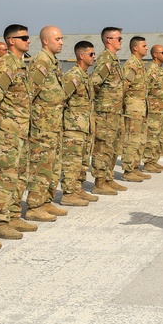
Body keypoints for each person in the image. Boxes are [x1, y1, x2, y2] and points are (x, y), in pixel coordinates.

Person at [0, 25, 36, 240]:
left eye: (28, 37)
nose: (28, 40)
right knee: (6, 177)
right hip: (7, 132)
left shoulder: (20, 65)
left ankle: (14, 214)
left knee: (19, 175)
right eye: (23, 37)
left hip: (21, 131)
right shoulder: (5, 65)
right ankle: (0, 221)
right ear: (11, 41)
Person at [25, 26, 68, 221]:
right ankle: (34, 205)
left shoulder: (52, 62)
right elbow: (30, 94)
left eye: (61, 39)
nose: (61, 42)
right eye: (57, 39)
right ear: (45, 41)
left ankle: (46, 201)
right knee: (41, 167)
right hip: (42, 126)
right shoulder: (41, 62)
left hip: (53, 124)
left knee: (52, 165)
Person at [59, 40, 99, 204]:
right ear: (81, 56)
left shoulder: (85, 76)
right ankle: (68, 194)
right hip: (73, 127)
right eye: (91, 54)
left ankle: (77, 188)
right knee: (72, 161)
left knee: (82, 161)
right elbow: (61, 98)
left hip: (85, 127)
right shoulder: (73, 76)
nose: (94, 57)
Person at [90, 27, 127, 194]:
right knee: (103, 146)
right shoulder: (105, 59)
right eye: (118, 38)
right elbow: (95, 82)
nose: (121, 41)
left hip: (115, 111)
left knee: (113, 145)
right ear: (108, 40)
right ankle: (99, 182)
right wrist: (101, 104)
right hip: (105, 112)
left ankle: (108, 177)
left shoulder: (114, 59)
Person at [121, 35, 150, 181]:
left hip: (141, 107)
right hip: (133, 108)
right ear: (135, 48)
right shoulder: (131, 64)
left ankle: (135, 166)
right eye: (144, 46)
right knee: (132, 139)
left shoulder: (139, 64)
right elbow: (124, 86)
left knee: (140, 138)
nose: (146, 48)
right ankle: (128, 170)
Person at [143, 45, 163, 173]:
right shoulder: (151, 70)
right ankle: (148, 161)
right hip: (153, 110)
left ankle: (154, 160)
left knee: (159, 136)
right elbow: (145, 89)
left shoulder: (160, 70)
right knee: (152, 136)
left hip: (161, 109)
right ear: (155, 54)